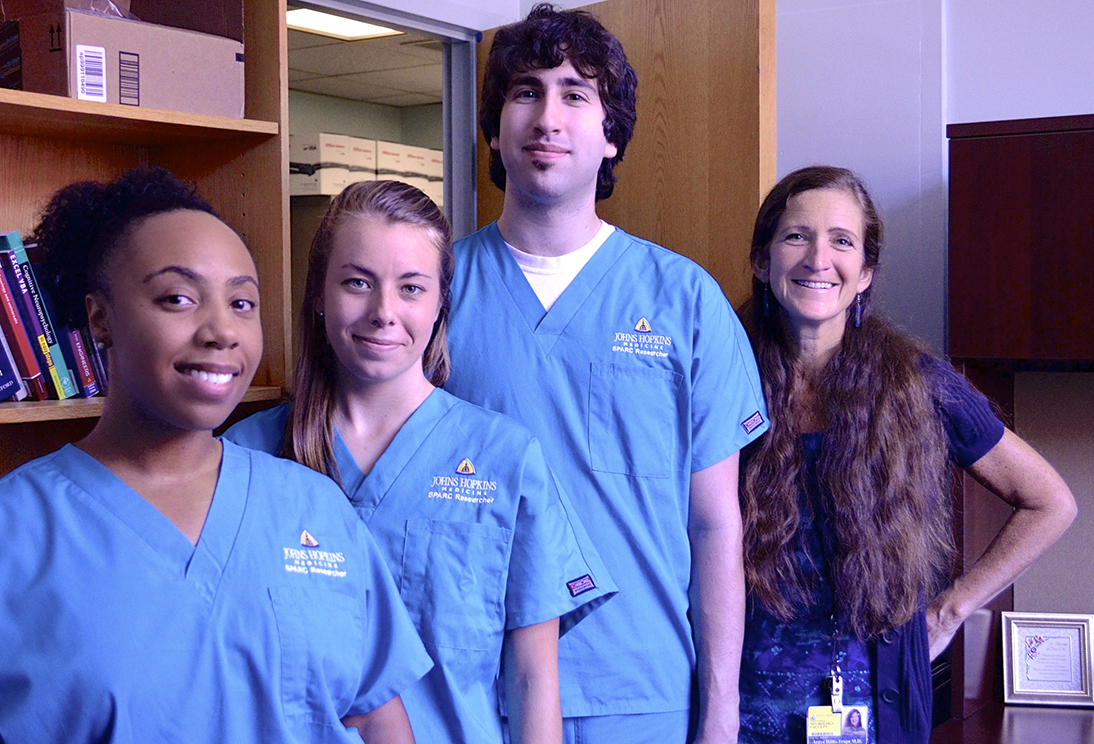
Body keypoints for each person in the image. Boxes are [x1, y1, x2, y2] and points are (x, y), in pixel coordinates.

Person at [0, 167, 433, 743]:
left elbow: (380, 721)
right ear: (100, 317)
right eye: (177, 298)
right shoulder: (18, 530)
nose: (221, 331)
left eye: (242, 303)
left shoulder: (313, 508)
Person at [443, 5, 769, 742]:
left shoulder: (683, 300)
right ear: (494, 130)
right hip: (470, 688)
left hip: (640, 689)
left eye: (574, 93)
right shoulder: (434, 293)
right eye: (524, 92)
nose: (547, 117)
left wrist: (720, 715)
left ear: (611, 133)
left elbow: (716, 525)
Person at [225, 179, 615, 744]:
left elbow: (532, 678)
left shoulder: (503, 459)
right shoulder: (245, 458)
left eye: (411, 288)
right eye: (358, 283)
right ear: (318, 294)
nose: (384, 312)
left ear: (439, 305)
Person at [737, 165, 1077, 744]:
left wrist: (948, 613)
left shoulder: (916, 383)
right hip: (731, 709)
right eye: (797, 236)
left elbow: (1050, 502)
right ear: (762, 261)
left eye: (842, 241)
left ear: (865, 271)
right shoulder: (719, 374)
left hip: (873, 713)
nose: (819, 258)